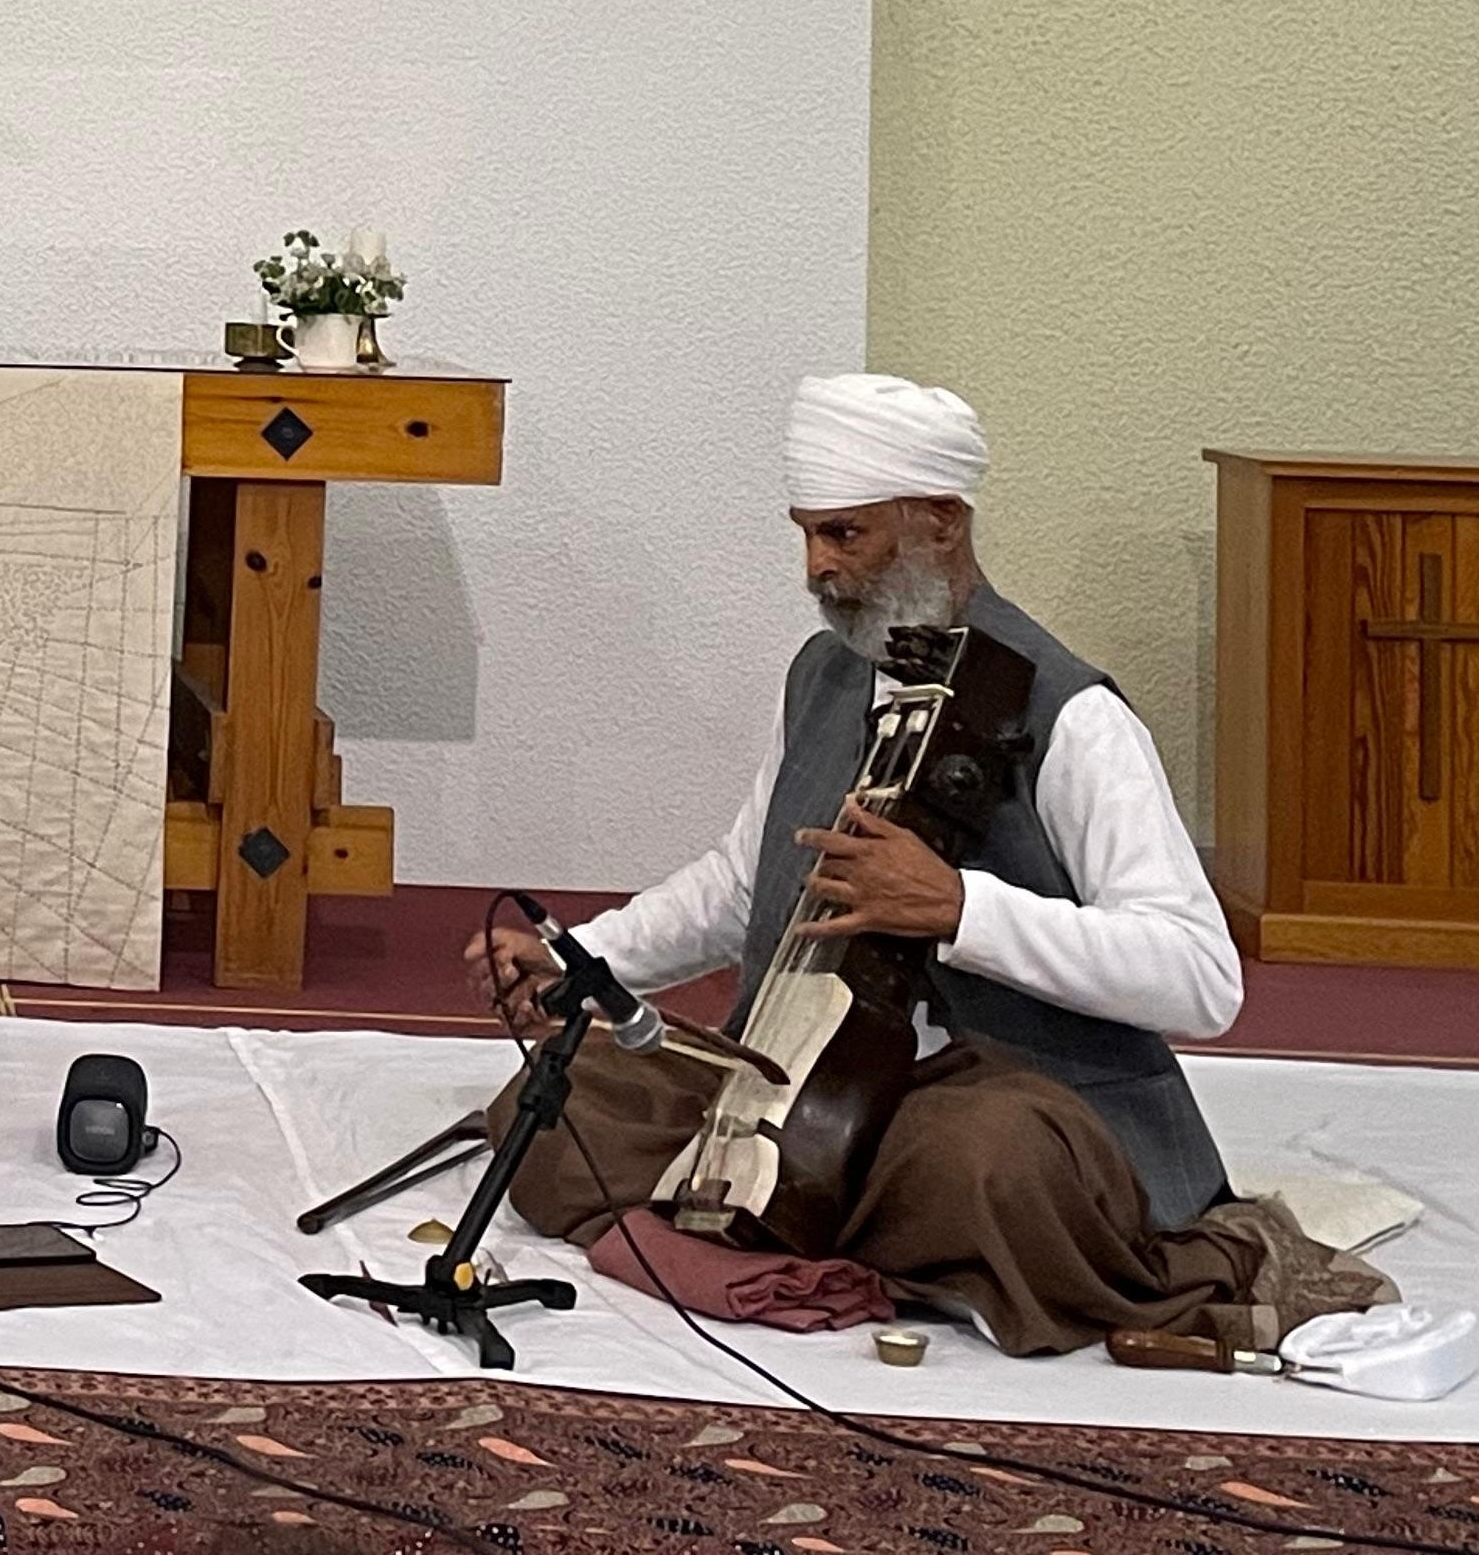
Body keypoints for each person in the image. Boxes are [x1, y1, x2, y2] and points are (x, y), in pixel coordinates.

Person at [464, 373, 1387, 1354]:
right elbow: (743, 882)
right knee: (556, 1099)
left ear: (939, 522)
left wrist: (958, 909)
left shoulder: (1070, 712)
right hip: (804, 1087)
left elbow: (1199, 980)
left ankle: (806, 1231)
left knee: (983, 1163)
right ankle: (858, 1240)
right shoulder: (822, 674)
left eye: (843, 535)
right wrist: (583, 964)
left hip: (998, 1097)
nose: (814, 567)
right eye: (807, 532)